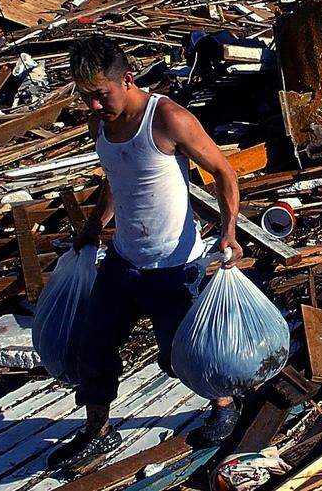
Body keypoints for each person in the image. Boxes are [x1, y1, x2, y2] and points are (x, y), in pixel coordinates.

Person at [48, 35, 244, 471]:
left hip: (174, 266)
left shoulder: (168, 118)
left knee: (182, 356)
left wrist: (229, 230)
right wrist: (93, 223)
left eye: (101, 96)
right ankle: (97, 431)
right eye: (86, 98)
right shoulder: (98, 124)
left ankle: (225, 404)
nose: (95, 107)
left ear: (128, 80)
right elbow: (116, 177)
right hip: (122, 260)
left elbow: (224, 172)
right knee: (94, 347)